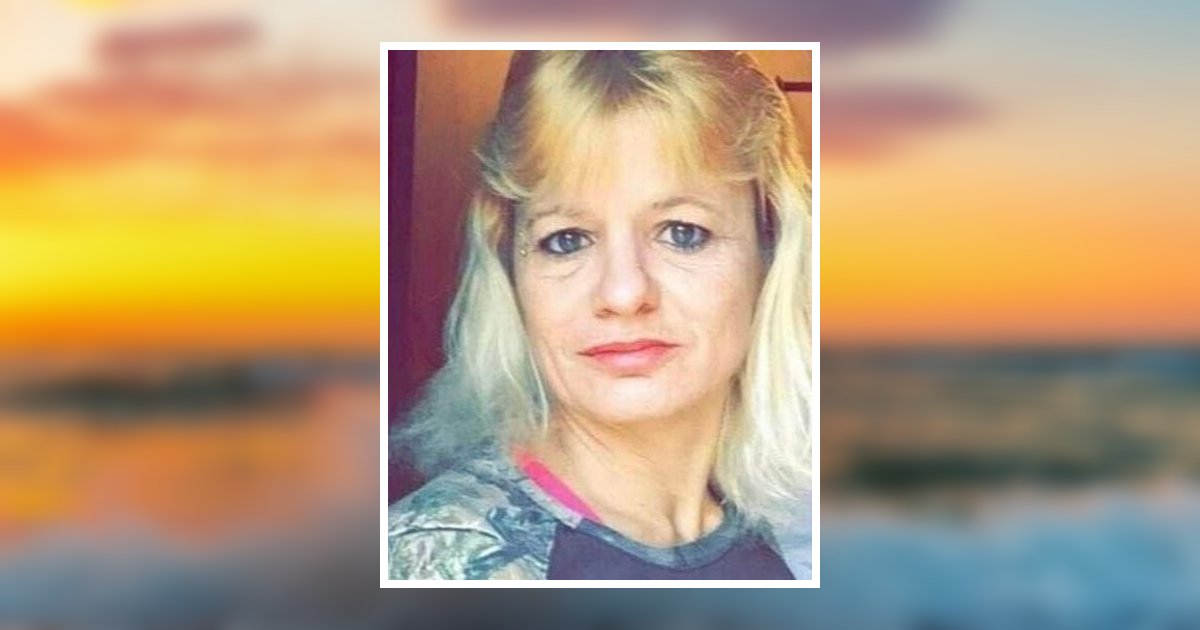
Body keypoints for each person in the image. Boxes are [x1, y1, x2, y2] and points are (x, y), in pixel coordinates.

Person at [388, 50, 812, 580]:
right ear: (511, 270)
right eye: (566, 240)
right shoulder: (436, 562)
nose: (624, 292)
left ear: (770, 251)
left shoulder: (810, 543)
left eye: (683, 233)